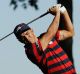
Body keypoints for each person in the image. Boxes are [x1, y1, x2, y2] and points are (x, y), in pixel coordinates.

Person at [14, 4, 76, 74]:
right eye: (22, 37)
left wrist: (64, 11)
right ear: (19, 40)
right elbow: (51, 33)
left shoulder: (45, 36)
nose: (26, 37)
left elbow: (70, 32)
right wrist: (57, 13)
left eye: (27, 33)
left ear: (32, 30)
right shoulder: (30, 51)